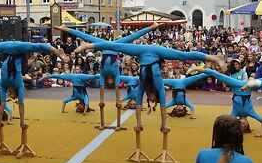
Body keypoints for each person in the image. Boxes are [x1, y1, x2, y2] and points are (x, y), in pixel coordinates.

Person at [74, 41, 226, 134]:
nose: (152, 100)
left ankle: (214, 58)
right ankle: (87, 45)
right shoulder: (159, 86)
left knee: (116, 46)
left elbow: (139, 105)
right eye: (154, 101)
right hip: (156, 51)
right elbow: (163, 107)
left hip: (143, 53)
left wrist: (139, 124)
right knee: (182, 55)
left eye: (151, 100)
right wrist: (163, 125)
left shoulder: (143, 87)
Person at [57, 22, 162, 129]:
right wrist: (103, 102)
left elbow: (113, 93)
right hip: (114, 46)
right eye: (111, 83)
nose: (112, 83)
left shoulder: (106, 75)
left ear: (108, 81)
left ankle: (151, 27)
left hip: (110, 45)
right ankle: (66, 29)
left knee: (131, 37)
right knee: (89, 37)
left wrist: (117, 102)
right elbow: (104, 95)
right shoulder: (114, 75)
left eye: (110, 83)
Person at [0, 41, 69, 131]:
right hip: (18, 49)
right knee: (36, 46)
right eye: (12, 95)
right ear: (15, 92)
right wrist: (22, 122)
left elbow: (2, 104)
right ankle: (57, 52)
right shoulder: (19, 85)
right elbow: (21, 105)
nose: (10, 95)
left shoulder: (3, 85)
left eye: (10, 95)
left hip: (8, 48)